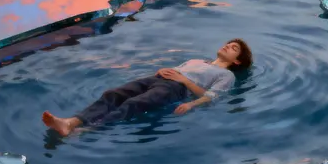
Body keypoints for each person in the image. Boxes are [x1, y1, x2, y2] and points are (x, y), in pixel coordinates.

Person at [42, 38, 252, 136]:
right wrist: (163, 71)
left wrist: (190, 101)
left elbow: (212, 96)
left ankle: (88, 129)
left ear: (237, 62)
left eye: (233, 48)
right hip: (158, 80)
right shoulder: (198, 60)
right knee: (113, 93)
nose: (227, 46)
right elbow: (177, 70)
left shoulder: (226, 75)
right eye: (228, 43)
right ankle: (71, 122)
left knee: (135, 103)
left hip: (177, 90)